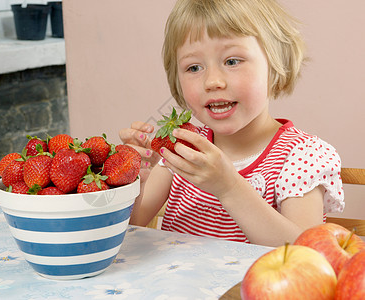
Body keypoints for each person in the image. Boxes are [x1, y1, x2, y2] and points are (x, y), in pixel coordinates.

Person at [119, 0, 344, 247]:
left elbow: (305, 256)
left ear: (275, 65)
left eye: (232, 61)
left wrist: (229, 187)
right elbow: (131, 228)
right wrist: (133, 178)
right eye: (194, 67)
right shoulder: (181, 148)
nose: (212, 81)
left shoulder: (303, 156)